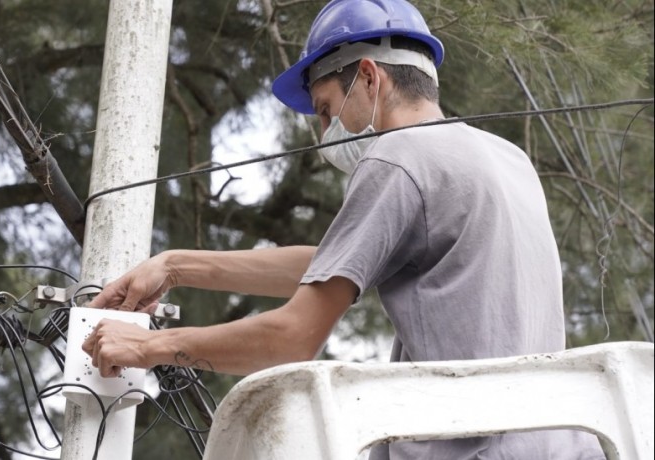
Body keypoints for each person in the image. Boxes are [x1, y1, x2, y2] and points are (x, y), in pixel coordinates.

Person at [84, 0, 606, 458]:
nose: (324, 133)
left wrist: (145, 347)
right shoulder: (504, 158)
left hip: (469, 448)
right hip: (563, 444)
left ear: (371, 78)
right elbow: (335, 260)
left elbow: (291, 339)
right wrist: (174, 266)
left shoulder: (399, 157)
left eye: (327, 109)